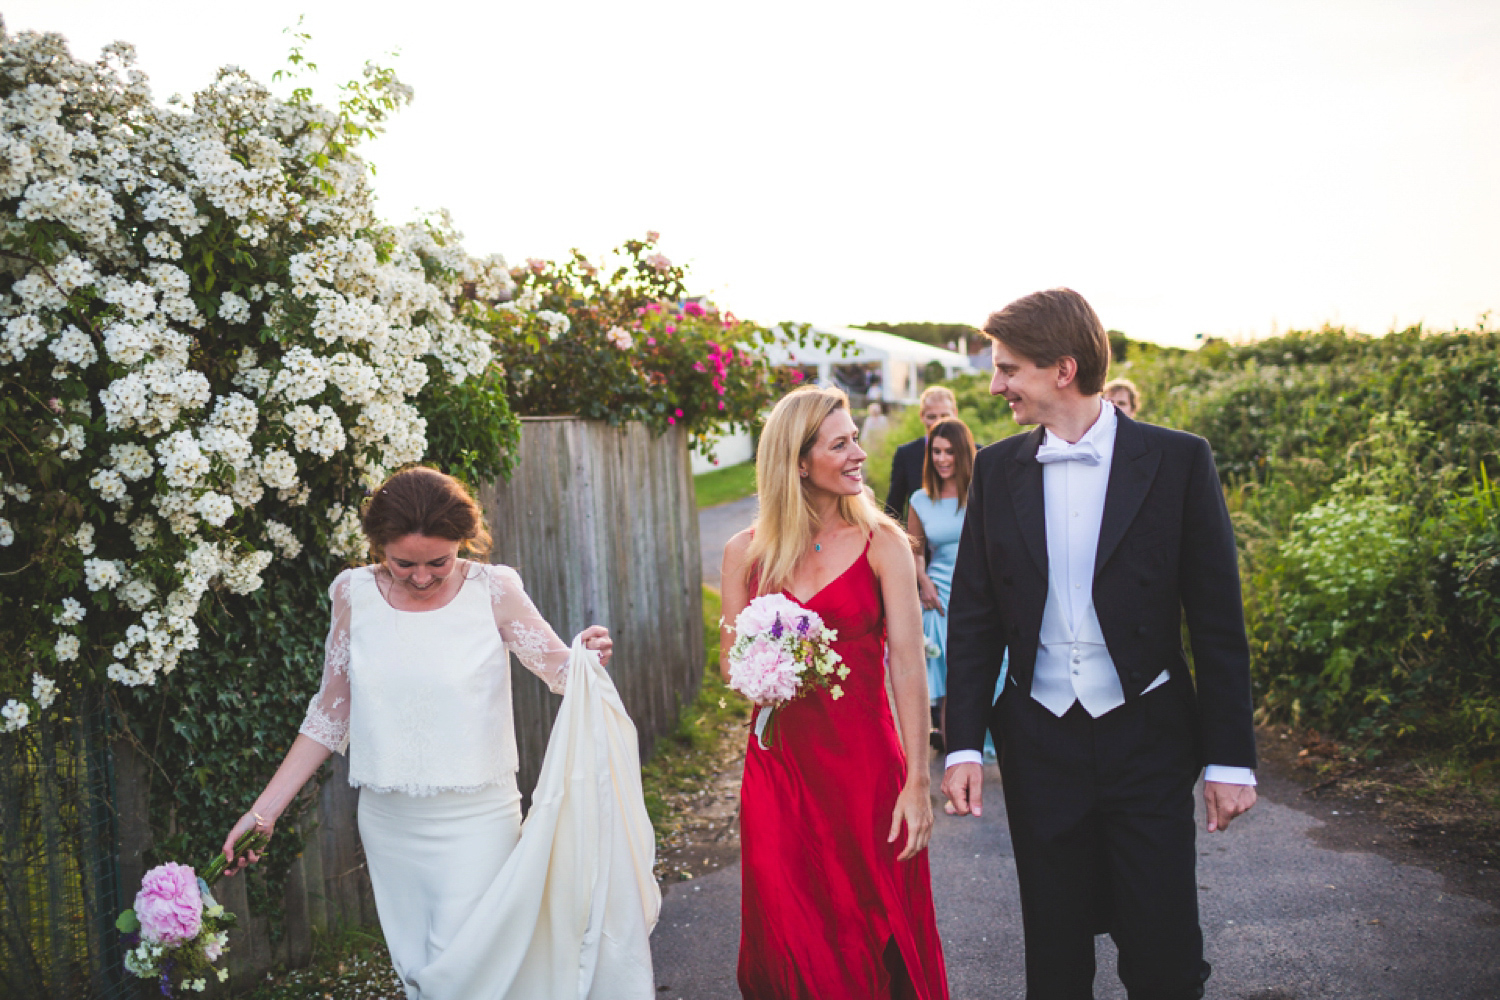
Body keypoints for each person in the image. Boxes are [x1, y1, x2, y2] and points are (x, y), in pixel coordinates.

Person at [219, 466, 658, 1000]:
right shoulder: (351, 595)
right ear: (377, 546)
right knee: (421, 971)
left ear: (463, 544)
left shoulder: (494, 589)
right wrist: (262, 813)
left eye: (439, 563)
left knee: (469, 974)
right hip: (389, 821)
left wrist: (589, 657)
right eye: (403, 563)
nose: (422, 577)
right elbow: (330, 715)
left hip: (477, 819)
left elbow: (563, 675)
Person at [942, 289, 1257, 1000]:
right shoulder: (996, 468)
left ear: (1062, 369)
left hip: (1148, 736)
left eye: (1008, 369)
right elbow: (975, 618)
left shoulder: (1178, 462)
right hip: (1040, 743)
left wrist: (1230, 756)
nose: (995, 386)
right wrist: (962, 743)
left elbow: (1216, 622)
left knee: (1164, 954)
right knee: (1054, 958)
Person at [721, 386, 949, 1000]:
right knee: (791, 918)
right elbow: (730, 665)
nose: (858, 454)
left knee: (873, 918)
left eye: (856, 440)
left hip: (866, 767)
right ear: (798, 461)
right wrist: (770, 658)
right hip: (780, 768)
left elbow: (907, 665)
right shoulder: (744, 553)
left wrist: (918, 782)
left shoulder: (884, 544)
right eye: (840, 443)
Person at [905, 418, 980, 753]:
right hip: (939, 594)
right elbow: (916, 552)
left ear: (963, 453)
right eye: (936, 451)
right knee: (951, 680)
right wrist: (924, 583)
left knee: (983, 674)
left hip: (978, 589)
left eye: (949, 451)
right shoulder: (921, 500)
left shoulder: (980, 493)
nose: (942, 458)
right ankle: (955, 755)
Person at [884, 385, 957, 522]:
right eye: (931, 416)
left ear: (955, 414)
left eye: (944, 416)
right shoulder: (906, 455)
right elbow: (893, 508)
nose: (938, 422)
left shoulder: (976, 453)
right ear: (922, 416)